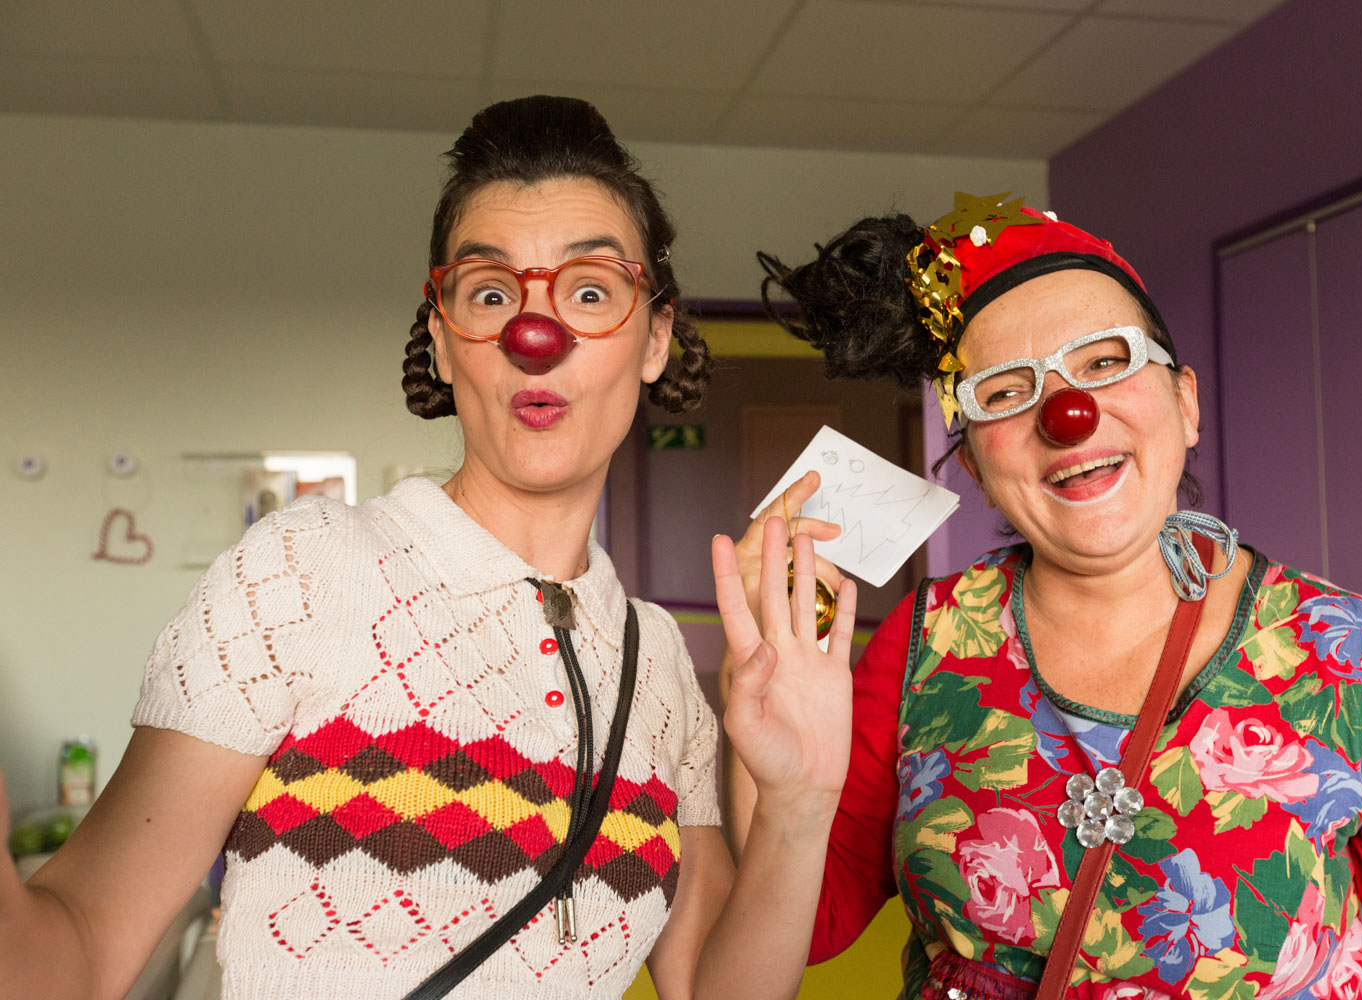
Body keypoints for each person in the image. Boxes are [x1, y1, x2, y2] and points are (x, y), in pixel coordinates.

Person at [0, 95, 857, 1000]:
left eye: (591, 291)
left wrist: (800, 810)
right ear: (446, 343)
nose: (538, 337)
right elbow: (82, 947)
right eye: (492, 295)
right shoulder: (304, 570)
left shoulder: (662, 674)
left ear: (655, 339)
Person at [722, 193, 1362, 998]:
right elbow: (810, 924)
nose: (1068, 413)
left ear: (1185, 404)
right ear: (977, 471)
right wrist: (769, 748)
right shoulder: (923, 646)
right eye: (1006, 390)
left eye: (1104, 361)